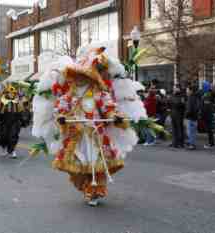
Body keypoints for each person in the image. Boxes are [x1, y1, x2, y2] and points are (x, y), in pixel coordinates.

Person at [32, 46, 144, 206]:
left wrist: (115, 118)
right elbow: (61, 109)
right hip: (77, 135)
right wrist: (62, 118)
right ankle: (87, 187)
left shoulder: (99, 94)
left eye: (83, 75)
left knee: (97, 162)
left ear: (90, 77)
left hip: (96, 134)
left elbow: (109, 108)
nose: (79, 79)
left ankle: (96, 190)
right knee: (79, 163)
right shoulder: (69, 96)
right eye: (77, 75)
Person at [0, 84, 24, 159]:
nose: (11, 94)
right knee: (3, 136)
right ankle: (4, 149)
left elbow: (21, 111)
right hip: (4, 122)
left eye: (13, 93)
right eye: (10, 93)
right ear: (7, 93)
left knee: (13, 136)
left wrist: (21, 121)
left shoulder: (17, 102)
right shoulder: (2, 101)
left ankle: (13, 151)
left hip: (14, 122)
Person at [200, 81, 215, 149]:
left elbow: (206, 106)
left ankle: (211, 143)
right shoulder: (207, 94)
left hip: (208, 115)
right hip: (208, 114)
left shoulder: (207, 95)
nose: (202, 87)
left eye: (203, 86)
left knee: (209, 130)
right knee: (209, 130)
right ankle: (211, 142)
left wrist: (202, 115)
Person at [185, 86, 200, 150]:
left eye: (187, 90)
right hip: (195, 116)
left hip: (191, 117)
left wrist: (186, 115)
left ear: (191, 91)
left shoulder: (190, 98)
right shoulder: (197, 97)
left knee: (190, 131)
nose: (187, 91)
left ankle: (192, 144)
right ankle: (191, 142)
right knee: (193, 131)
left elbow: (189, 108)